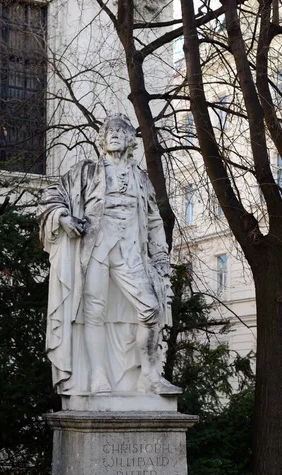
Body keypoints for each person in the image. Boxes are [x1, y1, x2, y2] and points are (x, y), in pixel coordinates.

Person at [38, 113, 181, 396]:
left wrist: (161, 255)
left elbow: (153, 220)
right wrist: (64, 218)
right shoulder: (85, 171)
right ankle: (98, 378)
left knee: (151, 309)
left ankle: (149, 376)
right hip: (95, 249)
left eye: (121, 131)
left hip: (130, 253)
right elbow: (52, 196)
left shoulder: (141, 178)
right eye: (109, 131)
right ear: (101, 140)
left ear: (130, 140)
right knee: (94, 313)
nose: (114, 134)